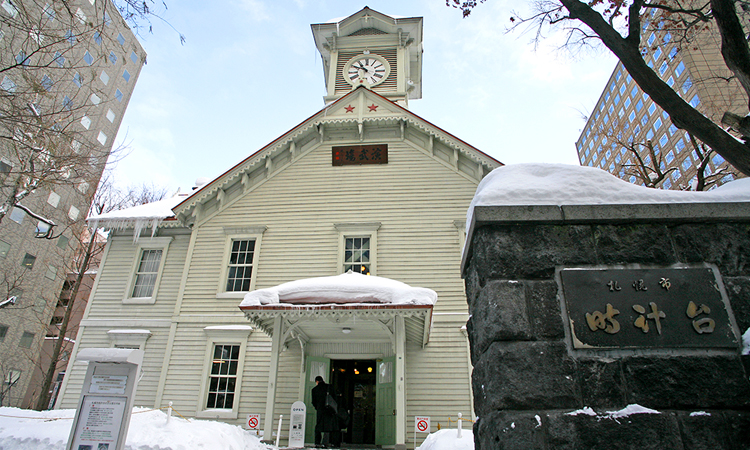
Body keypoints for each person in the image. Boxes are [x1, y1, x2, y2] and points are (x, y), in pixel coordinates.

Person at [311, 376, 337, 448]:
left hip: (320, 410)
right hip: (329, 410)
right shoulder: (329, 387)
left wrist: (318, 407)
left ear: (317, 381)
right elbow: (335, 398)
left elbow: (313, 402)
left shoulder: (314, 390)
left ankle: (317, 442)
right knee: (328, 426)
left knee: (318, 425)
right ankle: (326, 442)